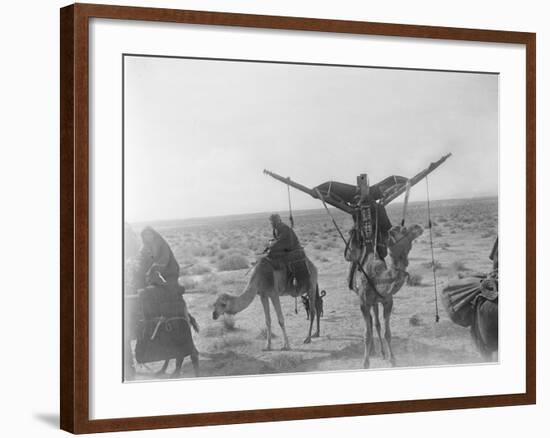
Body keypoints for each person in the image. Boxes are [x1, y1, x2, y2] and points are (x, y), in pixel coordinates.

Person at [137, 226, 181, 295]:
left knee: (168, 288)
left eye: (150, 234)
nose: (148, 236)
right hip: (152, 273)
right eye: (145, 235)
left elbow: (164, 260)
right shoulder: (144, 248)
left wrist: (153, 269)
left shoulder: (162, 245)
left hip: (168, 271)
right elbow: (143, 262)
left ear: (154, 235)